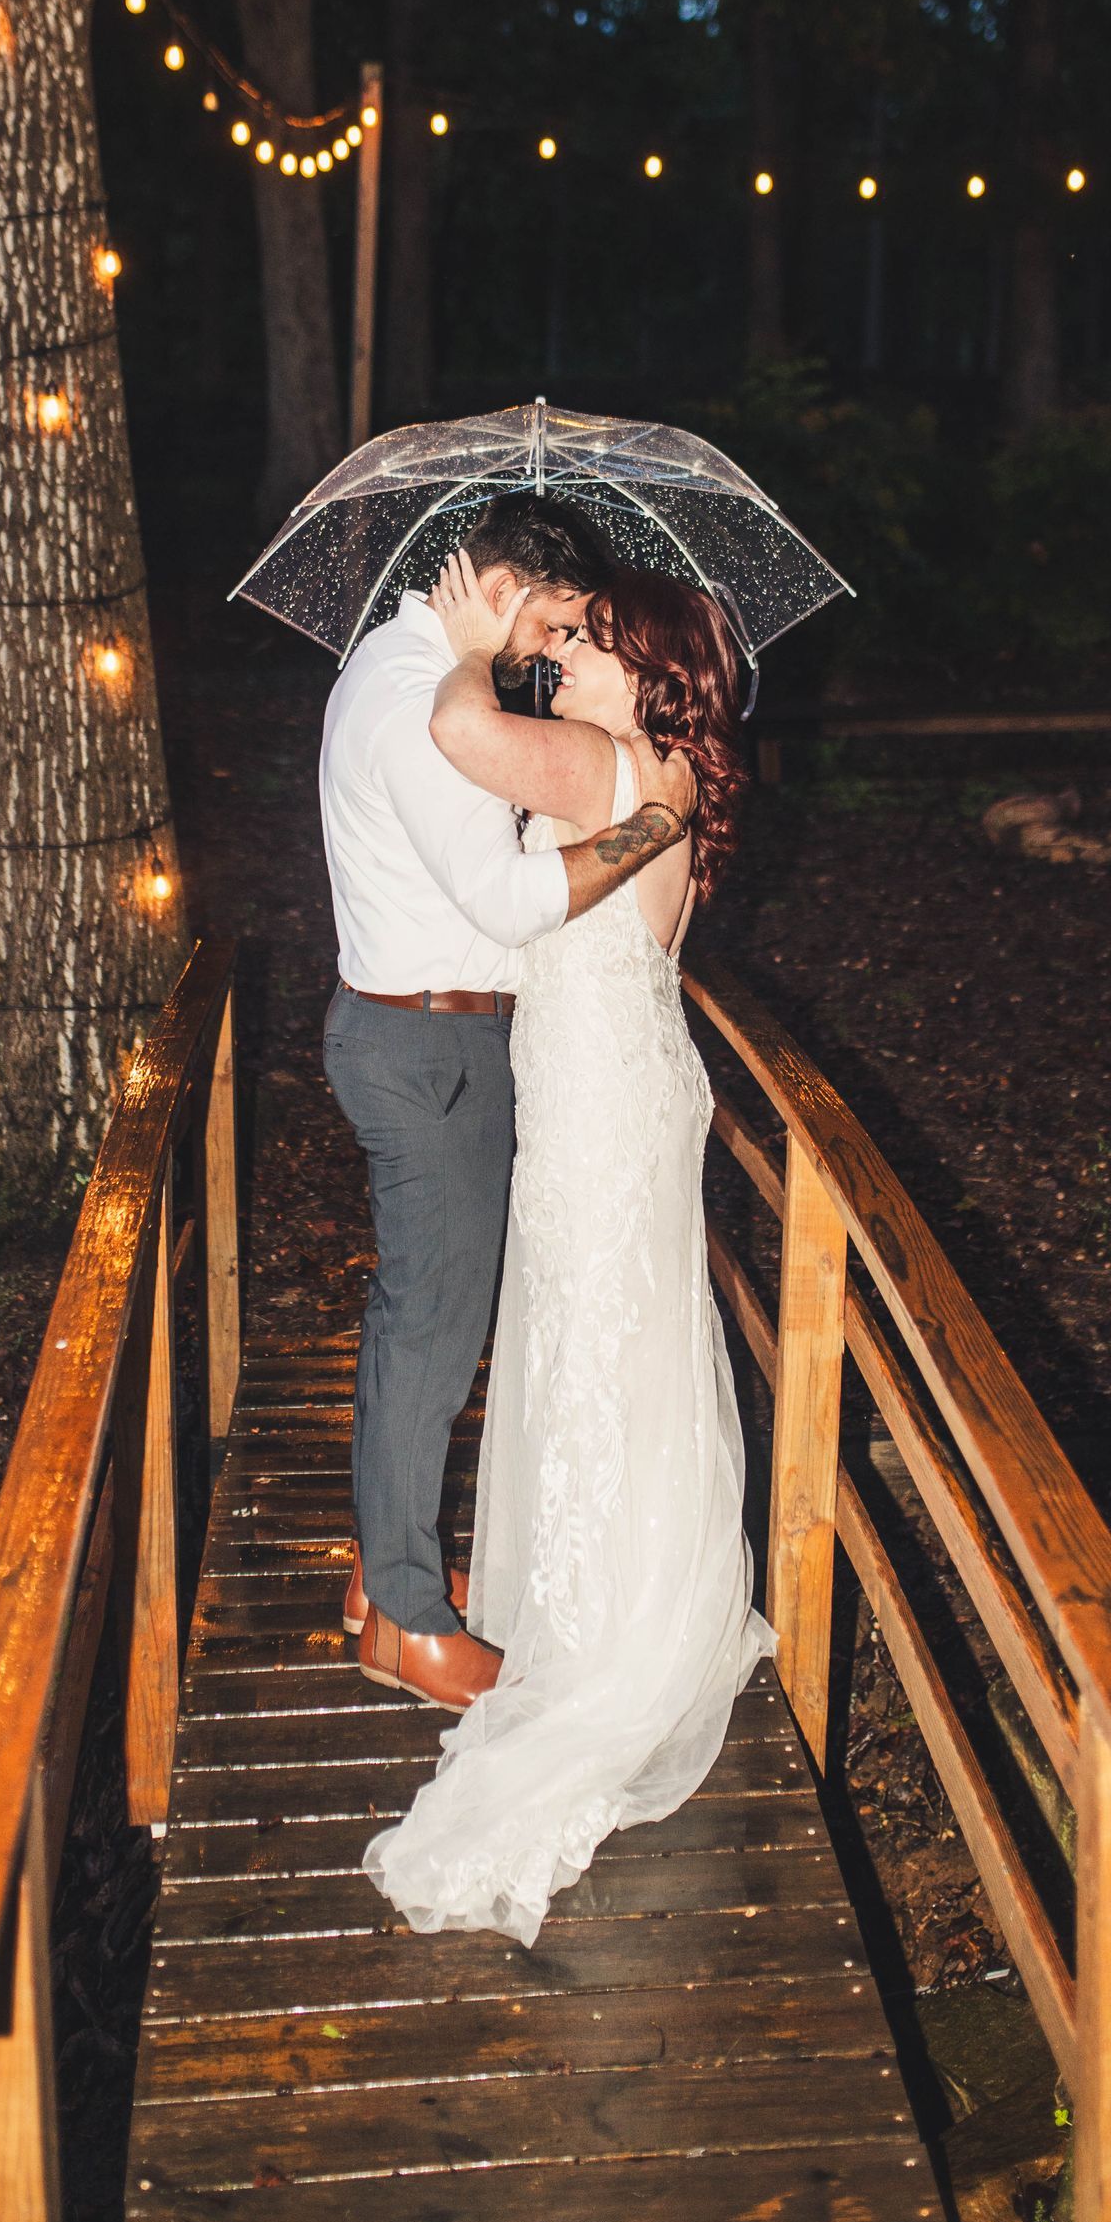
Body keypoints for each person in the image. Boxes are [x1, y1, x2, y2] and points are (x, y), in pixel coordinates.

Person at [361, 548, 774, 1946]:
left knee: (596, 1336)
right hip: (634, 1079)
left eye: (593, 639)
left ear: (648, 668)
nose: (570, 653)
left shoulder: (602, 764)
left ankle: (603, 1636)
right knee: (627, 1332)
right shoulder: (674, 776)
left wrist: (472, 642)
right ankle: (633, 1592)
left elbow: (458, 733)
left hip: (598, 1095)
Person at [319, 494, 689, 1714]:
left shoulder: (400, 667)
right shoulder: (429, 701)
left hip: (425, 1033)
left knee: (414, 1323)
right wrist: (651, 826)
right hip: (434, 1050)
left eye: (582, 633)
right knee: (431, 1333)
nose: (555, 648)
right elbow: (515, 906)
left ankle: (390, 1575)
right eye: (557, 622)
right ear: (499, 587)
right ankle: (413, 1624)